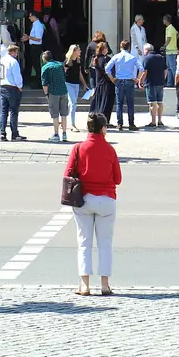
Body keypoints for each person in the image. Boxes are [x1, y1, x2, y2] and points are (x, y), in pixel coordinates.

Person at [66, 112, 122, 297]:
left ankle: (84, 285)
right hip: (106, 200)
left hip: (83, 200)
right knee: (105, 243)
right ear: (103, 129)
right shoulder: (110, 150)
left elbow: (68, 173)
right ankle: (105, 285)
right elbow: (118, 179)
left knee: (84, 243)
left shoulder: (78, 148)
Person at [107, 39, 142, 132]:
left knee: (119, 103)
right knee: (130, 103)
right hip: (130, 81)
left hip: (119, 81)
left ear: (120, 47)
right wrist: (137, 79)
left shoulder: (116, 56)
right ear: (129, 47)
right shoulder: (132, 57)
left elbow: (107, 68)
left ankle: (120, 124)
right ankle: (131, 123)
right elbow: (141, 68)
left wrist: (112, 78)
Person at [41, 49, 70, 142]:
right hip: (64, 90)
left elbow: (45, 84)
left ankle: (56, 134)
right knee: (64, 114)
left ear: (44, 58)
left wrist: (46, 95)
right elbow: (64, 76)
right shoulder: (59, 65)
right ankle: (64, 134)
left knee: (55, 114)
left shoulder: (45, 68)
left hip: (53, 92)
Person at [0, 43, 27, 141]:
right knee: (13, 111)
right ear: (13, 52)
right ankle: (14, 133)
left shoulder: (1, 60)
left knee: (3, 112)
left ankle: (2, 133)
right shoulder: (13, 62)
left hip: (3, 86)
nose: (16, 54)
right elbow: (17, 76)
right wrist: (20, 86)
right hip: (12, 88)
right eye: (16, 52)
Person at [139, 43, 166, 128]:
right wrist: (163, 79)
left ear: (146, 50)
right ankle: (160, 120)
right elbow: (166, 70)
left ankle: (153, 121)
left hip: (150, 83)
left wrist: (140, 81)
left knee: (152, 103)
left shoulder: (147, 58)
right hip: (160, 83)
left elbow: (145, 72)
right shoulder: (161, 57)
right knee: (160, 102)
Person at [89, 40, 114, 121]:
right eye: (106, 48)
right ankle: (104, 121)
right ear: (104, 49)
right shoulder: (106, 59)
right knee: (106, 103)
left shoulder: (96, 58)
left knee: (99, 103)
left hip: (99, 83)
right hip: (106, 83)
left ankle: (97, 120)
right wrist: (113, 79)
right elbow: (107, 71)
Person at [63, 43, 86, 125]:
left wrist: (84, 84)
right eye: (79, 50)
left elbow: (79, 73)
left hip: (76, 84)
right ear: (74, 51)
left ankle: (65, 121)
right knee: (73, 103)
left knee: (71, 103)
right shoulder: (67, 62)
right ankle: (73, 124)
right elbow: (63, 73)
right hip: (68, 83)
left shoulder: (78, 61)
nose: (80, 51)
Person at [162, 14, 179, 86]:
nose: (163, 21)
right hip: (170, 51)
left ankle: (176, 83)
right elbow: (178, 34)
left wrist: (164, 46)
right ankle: (169, 83)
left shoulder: (170, 28)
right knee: (169, 68)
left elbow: (168, 38)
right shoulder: (172, 28)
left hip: (171, 51)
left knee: (172, 68)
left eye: (163, 20)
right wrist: (175, 40)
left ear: (166, 20)